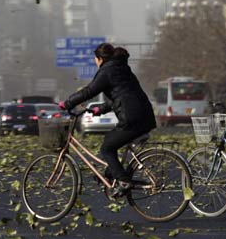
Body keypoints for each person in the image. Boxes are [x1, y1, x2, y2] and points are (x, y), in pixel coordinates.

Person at [59, 43, 156, 197]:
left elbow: (89, 91)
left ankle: (124, 181)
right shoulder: (123, 70)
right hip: (145, 116)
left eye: (95, 60)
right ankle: (111, 176)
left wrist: (68, 103)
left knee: (107, 149)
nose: (96, 63)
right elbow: (121, 97)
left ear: (100, 59)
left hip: (132, 119)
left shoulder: (107, 71)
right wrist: (101, 109)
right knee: (111, 140)